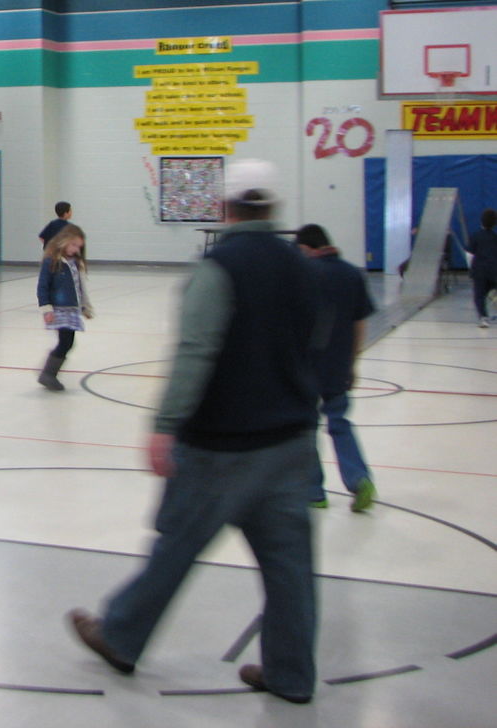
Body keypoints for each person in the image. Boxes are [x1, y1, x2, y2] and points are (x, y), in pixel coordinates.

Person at [67, 159, 320, 705]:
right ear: (273, 207)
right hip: (293, 444)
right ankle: (292, 674)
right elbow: (317, 342)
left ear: (225, 207)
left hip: (221, 447)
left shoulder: (218, 268)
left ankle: (121, 635)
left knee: (177, 546)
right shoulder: (303, 265)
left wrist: (164, 425)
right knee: (291, 568)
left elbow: (196, 351)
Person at [295, 223, 377, 512]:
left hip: (306, 365)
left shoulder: (304, 274)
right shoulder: (352, 273)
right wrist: (352, 364)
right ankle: (359, 479)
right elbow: (360, 323)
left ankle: (314, 491)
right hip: (338, 364)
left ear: (307, 248)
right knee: (340, 423)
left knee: (306, 428)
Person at [36, 225, 93, 391]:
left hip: (72, 309)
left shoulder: (76, 263)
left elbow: (79, 287)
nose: (75, 250)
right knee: (66, 342)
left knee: (67, 342)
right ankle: (48, 374)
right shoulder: (51, 262)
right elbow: (42, 287)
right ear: (63, 241)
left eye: (78, 247)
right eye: (73, 245)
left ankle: (49, 373)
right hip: (59, 309)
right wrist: (46, 309)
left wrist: (84, 307)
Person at [467, 208, 497, 329]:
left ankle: (483, 318)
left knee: (479, 295)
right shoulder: (495, 237)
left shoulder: (475, 236)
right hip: (494, 270)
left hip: (479, 271)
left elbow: (469, 254)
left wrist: (471, 269)